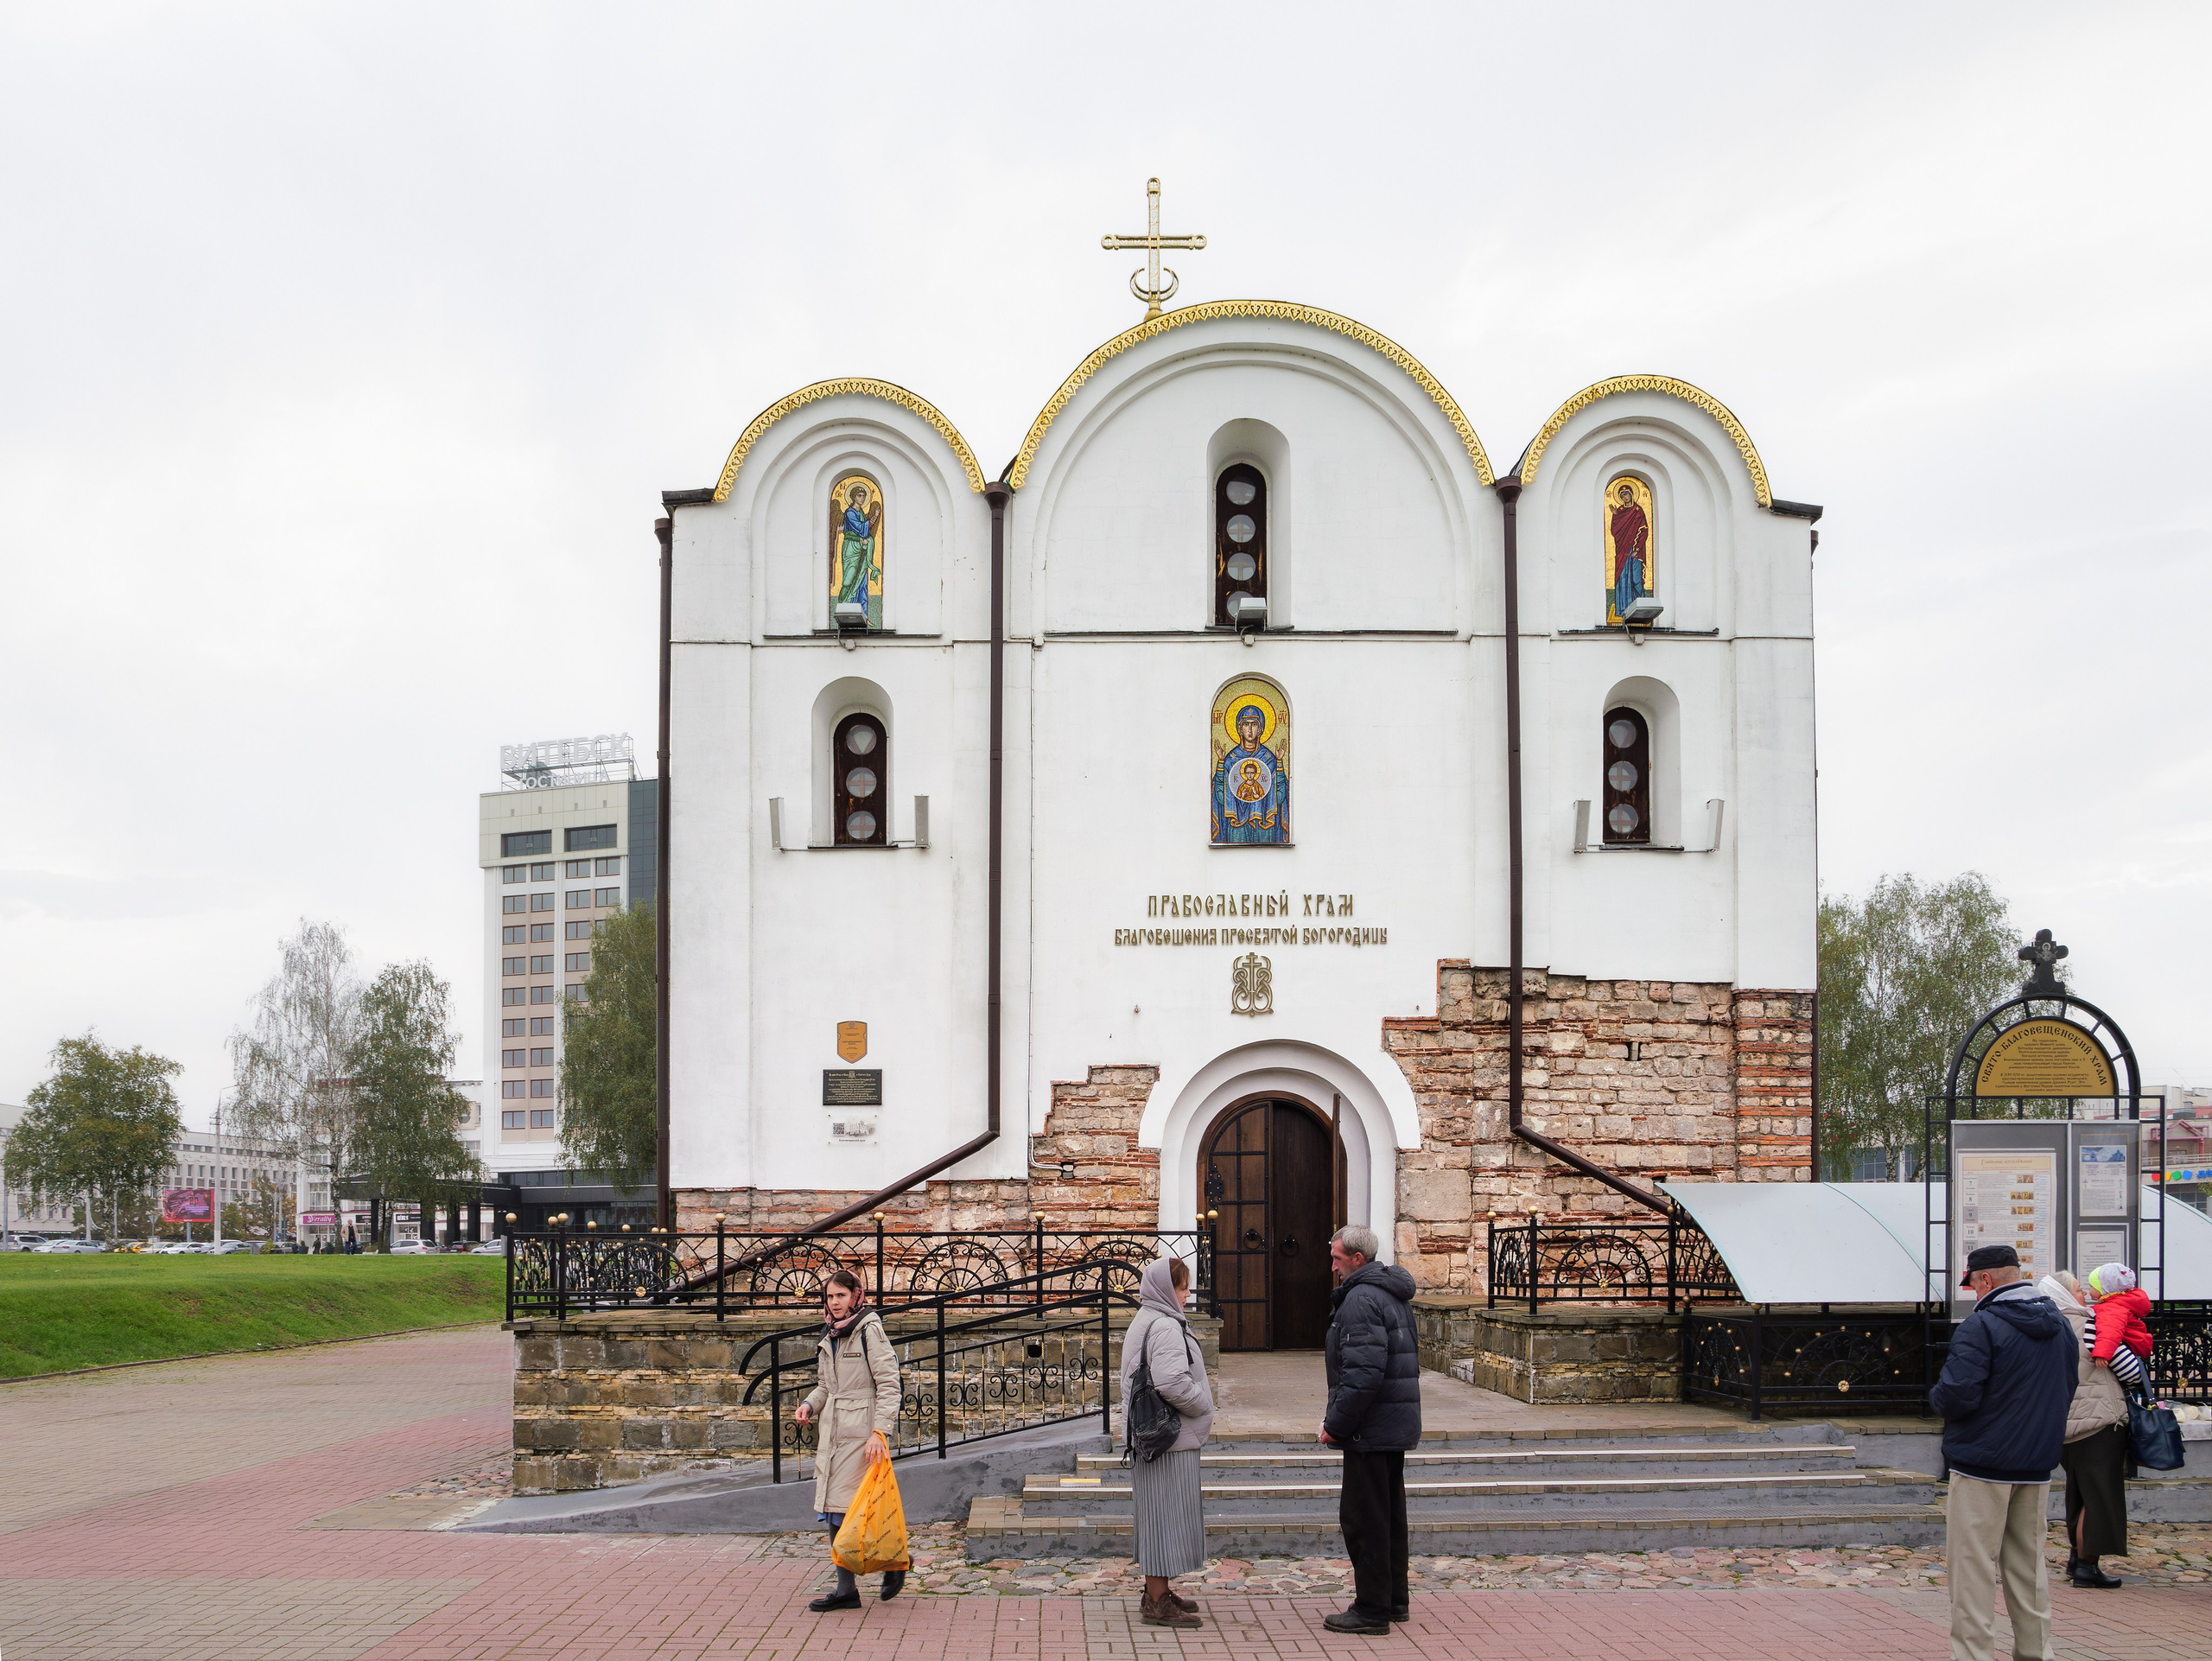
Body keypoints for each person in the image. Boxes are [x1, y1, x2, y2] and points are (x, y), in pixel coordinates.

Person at [1929, 1244, 2078, 1661]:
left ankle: (1975, 1655)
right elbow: (2068, 1388)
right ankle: (2037, 1653)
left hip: (1982, 1462)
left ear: (1986, 1281)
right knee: (2028, 1568)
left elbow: (1957, 1395)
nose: (1974, 1293)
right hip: (2036, 1462)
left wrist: (1936, 1397)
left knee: (1972, 1566)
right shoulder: (2060, 1325)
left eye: (1974, 1285)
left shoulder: (1982, 1326)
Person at [1319, 1224, 1421, 1637]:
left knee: (1365, 1519)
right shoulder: (1388, 1294)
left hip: (1370, 1428)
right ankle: (1393, 1599)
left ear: (1358, 1260)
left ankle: (1372, 1609)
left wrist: (1336, 1426)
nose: (1333, 1266)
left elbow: (1363, 1376)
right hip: (1390, 1424)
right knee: (1389, 1516)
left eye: (1337, 1258)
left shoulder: (1361, 1300)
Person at [792, 1269, 903, 1611]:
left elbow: (889, 1385)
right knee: (835, 1510)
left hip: (862, 1435)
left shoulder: (870, 1330)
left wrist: (879, 1432)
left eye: (841, 1295)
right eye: (830, 1296)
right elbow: (827, 1386)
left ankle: (892, 1566)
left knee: (857, 1510)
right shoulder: (831, 1334)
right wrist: (810, 1403)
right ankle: (850, 1588)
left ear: (856, 1296)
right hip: (835, 1432)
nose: (835, 1302)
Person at [1120, 1257, 1213, 1628]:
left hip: (1154, 1437)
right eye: (1182, 1287)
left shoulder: (1147, 1319)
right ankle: (1157, 1601)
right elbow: (1172, 1383)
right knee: (1164, 1515)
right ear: (1164, 1289)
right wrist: (1204, 1402)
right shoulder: (1165, 1327)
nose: (1187, 1293)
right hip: (1168, 1437)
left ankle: (1157, 1592)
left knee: (1159, 1514)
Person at [2040, 1270, 2130, 1588]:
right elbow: (2127, 1368)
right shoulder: (2091, 1324)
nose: (2087, 1297)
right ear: (2065, 1295)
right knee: (2100, 1497)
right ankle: (2086, 1566)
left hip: (2064, 1425)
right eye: (2079, 1291)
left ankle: (2077, 1560)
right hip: (2098, 1421)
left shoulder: (2046, 1328)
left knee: (2078, 1495)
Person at [2085, 1263, 2152, 1389]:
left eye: (2091, 1286)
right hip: (2134, 1347)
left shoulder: (2111, 1308)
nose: (2088, 1290)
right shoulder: (2120, 1303)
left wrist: (2102, 1354)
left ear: (2105, 1289)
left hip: (2128, 1350)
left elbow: (2110, 1331)